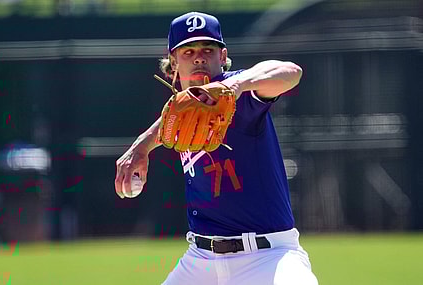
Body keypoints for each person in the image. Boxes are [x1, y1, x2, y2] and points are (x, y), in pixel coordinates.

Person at [115, 11, 318, 285]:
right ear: (173, 63)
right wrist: (142, 146)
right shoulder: (178, 113)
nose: (199, 56)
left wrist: (237, 84)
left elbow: (292, 72)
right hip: (201, 260)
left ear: (222, 57)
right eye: (188, 51)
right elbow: (175, 118)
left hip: (268, 256)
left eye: (208, 49)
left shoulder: (242, 95)